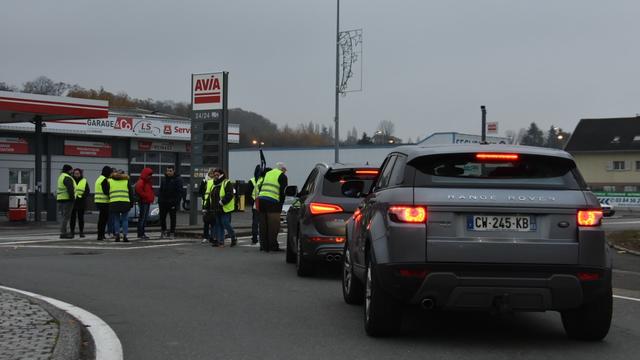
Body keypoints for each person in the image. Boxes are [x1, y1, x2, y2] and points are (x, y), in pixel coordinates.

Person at [257, 162, 288, 252]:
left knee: (263, 224)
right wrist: (281, 204)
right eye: (285, 170)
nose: (285, 172)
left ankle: (263, 246)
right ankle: (273, 246)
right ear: (282, 169)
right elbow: (283, 192)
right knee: (273, 226)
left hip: (261, 200)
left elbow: (260, 186)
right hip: (273, 202)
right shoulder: (282, 176)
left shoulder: (268, 173)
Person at [102, 169, 134, 242]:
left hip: (114, 202)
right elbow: (131, 193)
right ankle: (125, 235)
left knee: (116, 219)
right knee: (125, 219)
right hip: (125, 202)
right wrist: (131, 203)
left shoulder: (110, 181)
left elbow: (106, 190)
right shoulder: (126, 181)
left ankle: (117, 235)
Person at [211, 169, 237, 248]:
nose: (216, 176)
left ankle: (233, 237)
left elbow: (230, 194)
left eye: (217, 175)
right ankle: (221, 242)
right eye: (214, 175)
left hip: (225, 207)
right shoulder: (214, 184)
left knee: (225, 223)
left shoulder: (226, 182)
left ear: (221, 174)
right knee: (219, 225)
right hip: (217, 208)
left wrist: (222, 202)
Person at [158, 165, 184, 239]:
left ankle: (172, 232)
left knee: (173, 218)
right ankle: (164, 231)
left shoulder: (178, 179)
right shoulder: (164, 179)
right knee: (162, 218)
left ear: (173, 171)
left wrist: (176, 203)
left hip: (172, 202)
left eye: (170, 171)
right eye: (167, 171)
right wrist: (160, 200)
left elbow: (179, 192)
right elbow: (161, 190)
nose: (168, 172)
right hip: (163, 202)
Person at [56, 164, 76, 239]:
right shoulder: (67, 177)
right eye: (71, 170)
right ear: (69, 170)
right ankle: (63, 233)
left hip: (60, 199)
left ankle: (63, 232)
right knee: (66, 217)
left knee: (62, 217)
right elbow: (70, 190)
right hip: (67, 200)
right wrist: (72, 199)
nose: (72, 172)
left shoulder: (61, 176)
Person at [135, 167, 154, 240]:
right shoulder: (142, 181)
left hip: (146, 201)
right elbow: (138, 189)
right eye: (149, 175)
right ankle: (141, 233)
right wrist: (146, 196)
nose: (150, 176)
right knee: (142, 218)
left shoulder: (146, 181)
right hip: (144, 202)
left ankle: (142, 233)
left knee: (143, 218)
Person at [246, 165, 263, 245]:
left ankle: (254, 238)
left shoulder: (251, 180)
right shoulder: (264, 180)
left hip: (255, 202)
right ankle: (262, 238)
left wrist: (252, 202)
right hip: (263, 201)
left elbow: (248, 193)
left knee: (255, 221)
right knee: (262, 221)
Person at [200, 169, 218, 244]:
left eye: (212, 174)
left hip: (213, 204)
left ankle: (212, 236)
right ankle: (205, 236)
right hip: (206, 204)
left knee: (213, 222)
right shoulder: (204, 181)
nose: (211, 175)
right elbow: (200, 191)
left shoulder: (216, 182)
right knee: (206, 221)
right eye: (210, 174)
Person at [70, 168, 90, 238]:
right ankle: (72, 232)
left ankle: (81, 232)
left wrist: (82, 197)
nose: (77, 175)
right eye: (75, 173)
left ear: (80, 174)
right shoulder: (71, 180)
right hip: (73, 201)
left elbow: (87, 191)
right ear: (73, 174)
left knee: (81, 218)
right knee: (72, 218)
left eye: (78, 173)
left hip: (81, 202)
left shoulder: (84, 181)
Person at [94, 166, 112, 241]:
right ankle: (100, 235)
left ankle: (100, 235)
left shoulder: (99, 178)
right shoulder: (104, 180)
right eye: (110, 172)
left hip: (98, 201)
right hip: (103, 202)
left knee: (101, 219)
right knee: (103, 220)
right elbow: (106, 191)